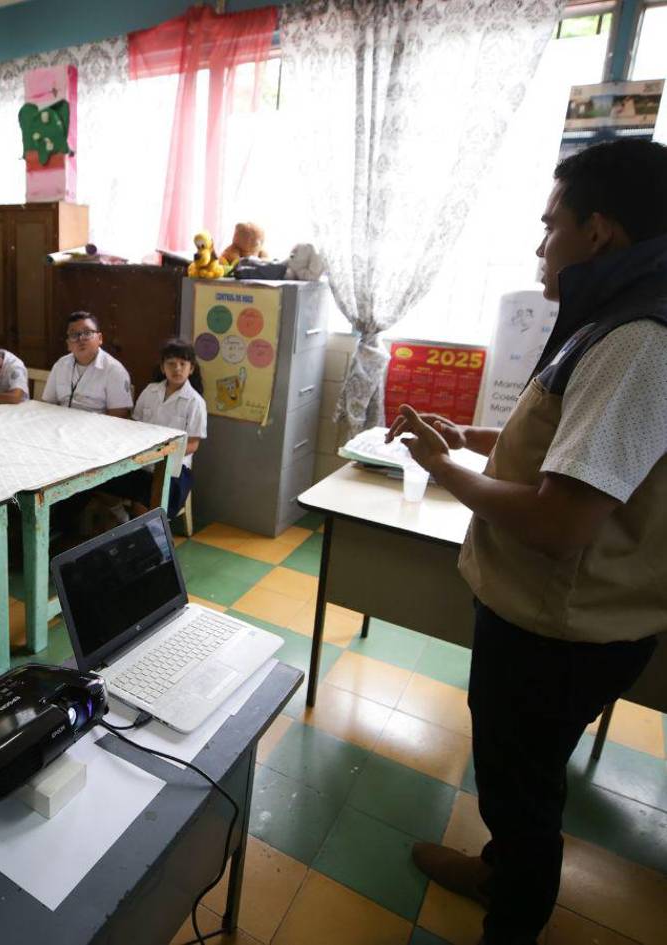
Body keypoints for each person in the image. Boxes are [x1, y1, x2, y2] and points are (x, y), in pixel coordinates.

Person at [387, 138, 667, 945]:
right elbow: (572, 441)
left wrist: (445, 469)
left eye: (551, 226)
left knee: (526, 788)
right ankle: (499, 867)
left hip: (563, 627)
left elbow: (560, 520)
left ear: (600, 231)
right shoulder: (613, 315)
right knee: (516, 776)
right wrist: (472, 436)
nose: (540, 245)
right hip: (551, 621)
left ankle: (509, 920)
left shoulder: (640, 337)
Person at [126, 338, 207, 520]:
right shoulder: (150, 391)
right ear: (163, 368)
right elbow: (135, 425)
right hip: (143, 462)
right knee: (109, 486)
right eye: (171, 363)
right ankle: (126, 529)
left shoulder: (195, 402)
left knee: (148, 501)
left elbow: (193, 445)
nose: (177, 368)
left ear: (191, 368)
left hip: (175, 469)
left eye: (182, 363)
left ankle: (150, 541)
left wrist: (162, 456)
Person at [41, 312, 133, 417]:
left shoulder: (115, 370)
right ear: (68, 345)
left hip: (96, 429)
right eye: (74, 335)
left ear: (100, 338)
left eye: (87, 333)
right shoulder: (60, 365)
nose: (81, 339)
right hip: (61, 425)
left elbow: (118, 417)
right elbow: (47, 404)